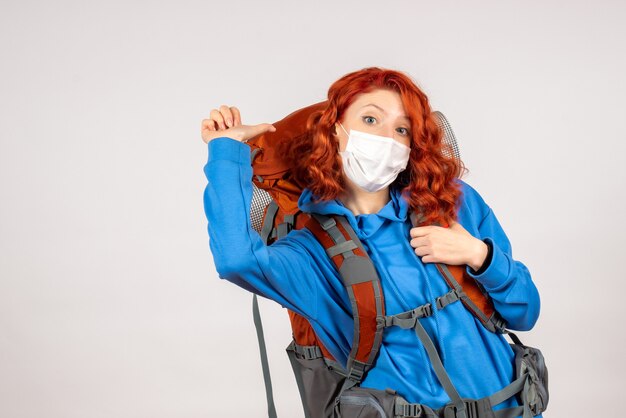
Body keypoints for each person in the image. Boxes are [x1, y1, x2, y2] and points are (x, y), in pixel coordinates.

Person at [201, 67, 541, 416]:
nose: (387, 139)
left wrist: (479, 255)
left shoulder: (453, 203)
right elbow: (236, 260)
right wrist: (227, 151)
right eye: (370, 119)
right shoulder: (310, 253)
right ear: (335, 131)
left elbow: (526, 311)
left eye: (402, 129)